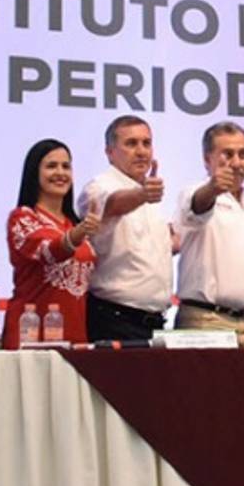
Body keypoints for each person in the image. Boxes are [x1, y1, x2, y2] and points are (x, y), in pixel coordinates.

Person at [174, 121, 244, 348]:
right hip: (208, 321)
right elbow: (198, 206)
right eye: (227, 154)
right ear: (207, 159)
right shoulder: (194, 194)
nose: (236, 163)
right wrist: (213, 188)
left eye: (242, 154)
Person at [77, 116, 172, 342]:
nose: (141, 151)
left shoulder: (148, 193)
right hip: (114, 318)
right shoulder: (99, 186)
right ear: (109, 152)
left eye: (146, 143)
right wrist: (143, 194)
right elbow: (112, 204)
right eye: (131, 144)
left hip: (154, 322)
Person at [3, 139, 99, 349]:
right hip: (32, 338)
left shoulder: (74, 223)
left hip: (75, 337)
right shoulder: (23, 218)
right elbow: (50, 251)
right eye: (51, 166)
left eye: (66, 166)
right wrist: (78, 234)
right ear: (34, 173)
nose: (60, 173)